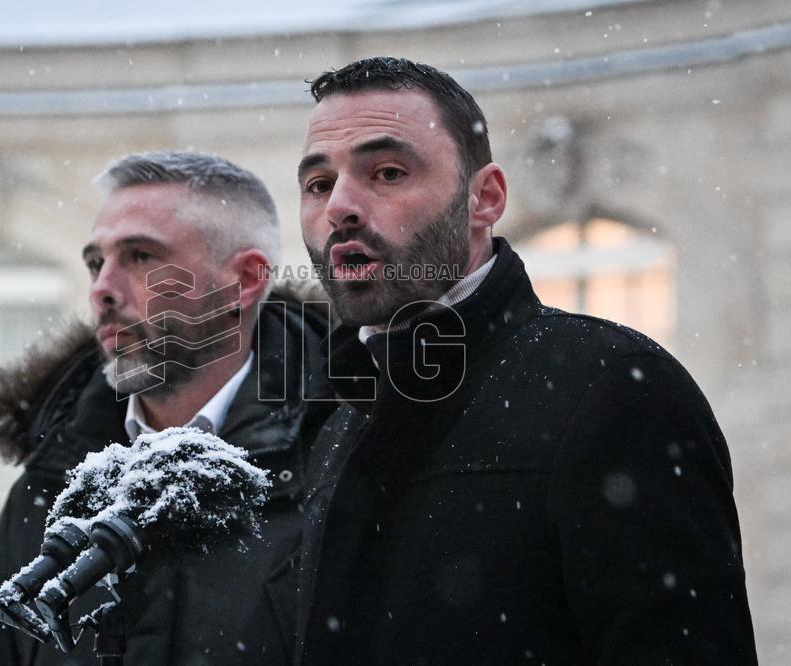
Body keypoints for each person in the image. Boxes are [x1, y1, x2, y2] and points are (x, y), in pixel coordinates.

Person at [294, 57, 756, 665]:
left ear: (484, 198)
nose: (340, 208)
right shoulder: (330, 413)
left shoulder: (613, 386)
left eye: (386, 172)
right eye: (319, 184)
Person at [0, 151, 335, 665]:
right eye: (96, 262)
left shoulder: (342, 463)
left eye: (141, 256)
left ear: (246, 281)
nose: (101, 288)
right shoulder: (46, 485)